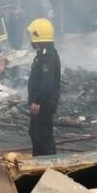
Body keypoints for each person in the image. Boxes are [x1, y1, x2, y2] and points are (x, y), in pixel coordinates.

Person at [27, 18, 61, 156]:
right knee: (35, 133)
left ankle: (47, 162)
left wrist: (37, 101)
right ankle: (38, 160)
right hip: (40, 103)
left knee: (43, 135)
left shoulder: (48, 56)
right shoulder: (44, 53)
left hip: (44, 104)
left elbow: (48, 82)